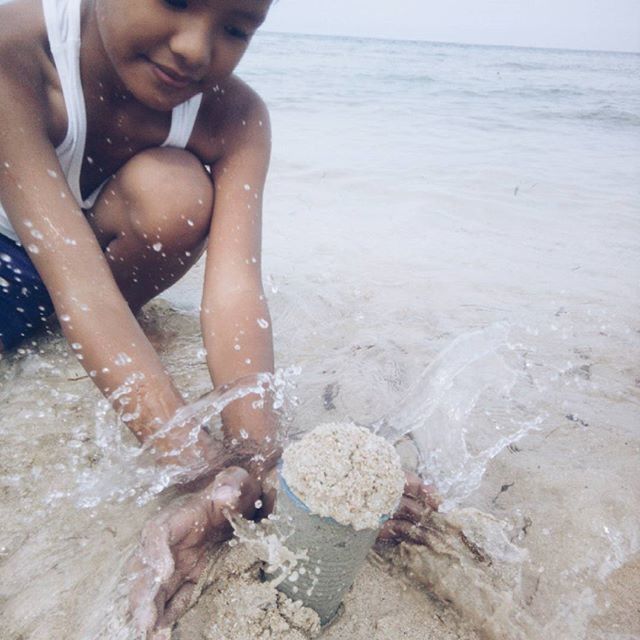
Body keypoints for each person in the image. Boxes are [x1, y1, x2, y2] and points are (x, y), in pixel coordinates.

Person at [0, 0, 439, 635]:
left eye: (236, 27)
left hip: (93, 263)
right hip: (19, 256)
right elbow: (81, 290)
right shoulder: (14, 53)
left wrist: (257, 464)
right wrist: (193, 465)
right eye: (176, 1)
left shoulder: (235, 117)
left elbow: (234, 290)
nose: (195, 48)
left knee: (175, 192)